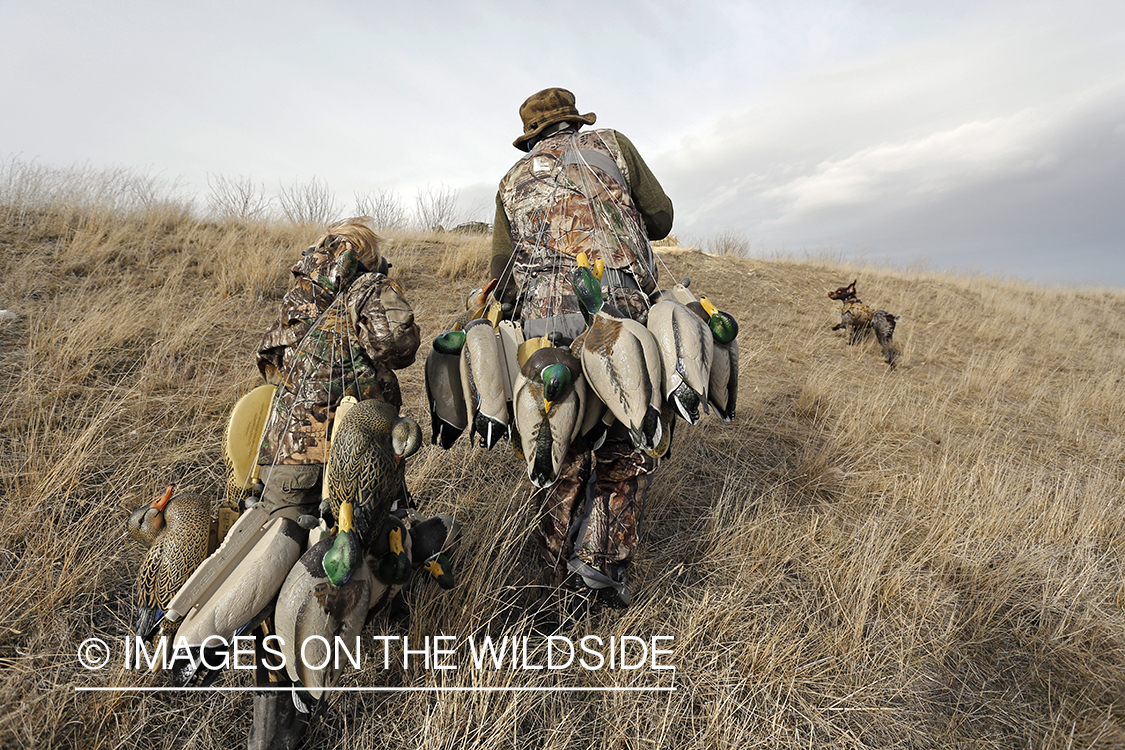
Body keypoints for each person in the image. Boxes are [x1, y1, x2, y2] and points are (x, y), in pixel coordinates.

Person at [167, 218, 420, 750]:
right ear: (367, 256)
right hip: (333, 462)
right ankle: (288, 712)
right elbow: (397, 343)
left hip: (279, 458)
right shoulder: (365, 287)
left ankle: (239, 679)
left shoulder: (300, 299)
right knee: (322, 576)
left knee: (269, 567)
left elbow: (270, 371)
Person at [491, 87, 674, 620]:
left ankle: (552, 557)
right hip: (621, 319)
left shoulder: (510, 181)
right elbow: (661, 219)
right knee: (626, 434)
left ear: (532, 137)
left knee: (560, 438)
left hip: (545, 332)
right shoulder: (613, 146)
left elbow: (501, 275)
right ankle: (599, 565)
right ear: (574, 121)